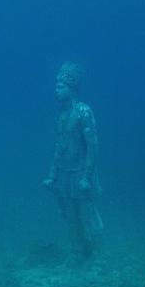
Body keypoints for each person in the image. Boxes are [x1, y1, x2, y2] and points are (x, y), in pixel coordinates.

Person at [43, 61, 101, 261]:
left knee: (87, 214)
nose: (56, 90)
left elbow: (92, 146)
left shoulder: (83, 111)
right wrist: (52, 174)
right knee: (69, 215)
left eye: (60, 87)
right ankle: (78, 252)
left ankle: (95, 251)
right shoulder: (62, 115)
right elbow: (59, 146)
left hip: (80, 173)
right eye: (56, 86)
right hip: (64, 172)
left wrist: (86, 177)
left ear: (72, 88)